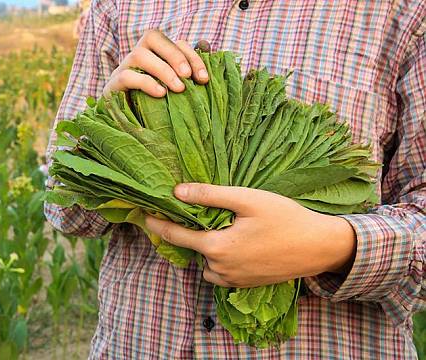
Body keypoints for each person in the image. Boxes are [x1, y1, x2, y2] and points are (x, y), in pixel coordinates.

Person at [45, 1, 425, 358]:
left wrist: (333, 245)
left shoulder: (402, 12)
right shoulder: (119, 6)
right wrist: (107, 131)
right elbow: (65, 210)